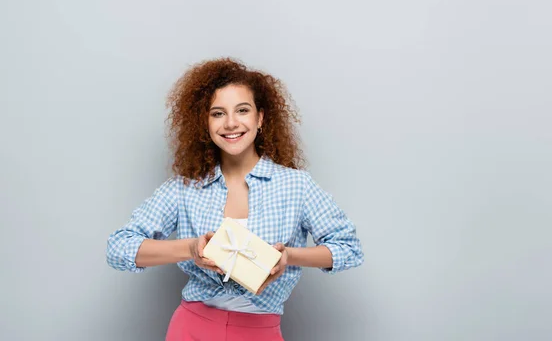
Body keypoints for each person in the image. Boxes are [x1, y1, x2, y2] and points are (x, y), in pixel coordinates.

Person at [106, 58, 364, 340]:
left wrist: (289, 256)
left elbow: (348, 249)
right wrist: (192, 248)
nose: (231, 123)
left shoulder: (296, 185)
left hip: (260, 331)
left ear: (260, 118)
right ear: (204, 122)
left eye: (242, 110)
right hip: (191, 328)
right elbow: (119, 248)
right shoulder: (183, 188)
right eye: (217, 113)